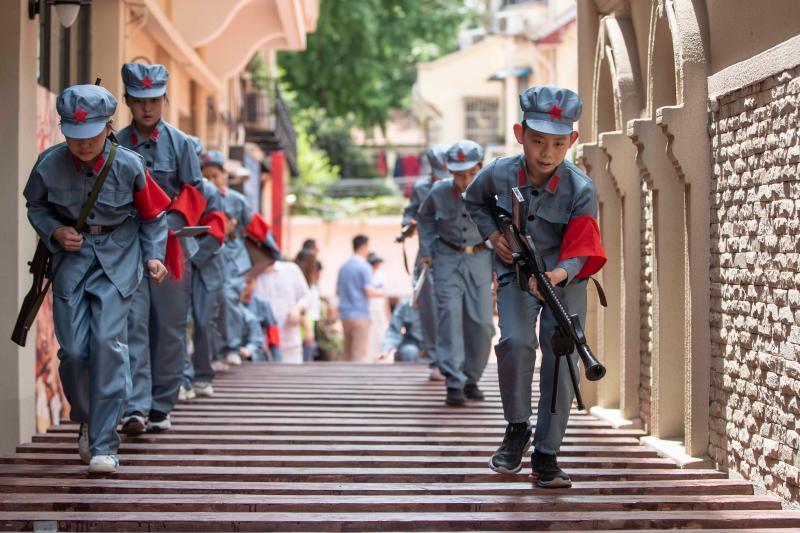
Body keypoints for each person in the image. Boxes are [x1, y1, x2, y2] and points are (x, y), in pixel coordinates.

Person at [464, 86, 606, 487]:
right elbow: (475, 202)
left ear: (572, 142)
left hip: (565, 279)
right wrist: (494, 238)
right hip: (515, 276)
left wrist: (556, 277)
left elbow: (583, 249)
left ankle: (547, 452)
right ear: (519, 133)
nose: (547, 152)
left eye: (558, 144)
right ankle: (516, 428)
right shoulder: (498, 172)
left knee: (562, 358)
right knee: (516, 342)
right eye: (537, 140)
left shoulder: (581, 189)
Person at [23, 84, 169, 473]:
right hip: (71, 263)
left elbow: (154, 216)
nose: (82, 144)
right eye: (73, 135)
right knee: (74, 352)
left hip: (118, 261)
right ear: (63, 129)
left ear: (108, 128)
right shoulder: (48, 164)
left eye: (90, 136)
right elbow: (35, 205)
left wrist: (153, 257)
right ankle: (87, 418)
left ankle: (105, 442)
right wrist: (54, 231)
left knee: (108, 344)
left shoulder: (129, 165)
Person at [116, 63, 225, 435]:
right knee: (132, 325)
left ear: (164, 100)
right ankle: (135, 407)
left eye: (154, 100)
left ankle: (162, 405)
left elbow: (195, 192)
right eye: (139, 100)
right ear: (128, 101)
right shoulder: (115, 143)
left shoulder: (180, 143)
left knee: (171, 328)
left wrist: (168, 227)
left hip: (173, 248)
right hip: (128, 248)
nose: (147, 108)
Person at [418, 140, 494, 407]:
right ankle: (453, 381)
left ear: (480, 168)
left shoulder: (492, 191)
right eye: (459, 175)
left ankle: (471, 378)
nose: (465, 181)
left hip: (481, 259)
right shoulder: (438, 192)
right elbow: (425, 218)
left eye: (471, 174)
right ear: (450, 172)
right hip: (447, 258)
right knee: (449, 318)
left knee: (483, 324)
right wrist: (426, 248)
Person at [199, 150, 280, 366]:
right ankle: (214, 353)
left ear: (225, 174)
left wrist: (273, 250)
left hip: (234, 256)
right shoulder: (199, 197)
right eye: (206, 176)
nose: (212, 180)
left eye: (216, 175)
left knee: (227, 297)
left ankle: (231, 347)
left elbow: (255, 225)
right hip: (206, 255)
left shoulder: (237, 200)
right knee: (210, 303)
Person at [402, 144, 450, 380]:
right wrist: (408, 225)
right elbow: (409, 213)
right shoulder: (421, 188)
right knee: (430, 310)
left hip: (454, 255)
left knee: (453, 309)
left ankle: (455, 359)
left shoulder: (457, 185)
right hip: (427, 257)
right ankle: (435, 359)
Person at [252, 257, 310, 363]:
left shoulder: (291, 269)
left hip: (289, 342)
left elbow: (306, 297)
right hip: (261, 347)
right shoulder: (250, 274)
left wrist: (297, 309)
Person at [336, 235, 381, 362]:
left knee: (347, 353)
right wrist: (382, 293)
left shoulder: (343, 267)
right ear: (363, 246)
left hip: (345, 315)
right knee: (359, 354)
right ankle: (354, 381)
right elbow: (369, 292)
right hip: (360, 314)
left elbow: (338, 291)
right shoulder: (364, 267)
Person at [295, 249, 320, 361]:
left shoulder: (299, 278)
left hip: (302, 328)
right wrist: (309, 331)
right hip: (302, 330)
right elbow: (302, 308)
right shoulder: (303, 282)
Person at [366, 253, 390, 362]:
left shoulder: (381, 275)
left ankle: (380, 358)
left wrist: (388, 313)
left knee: (381, 334)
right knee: (370, 336)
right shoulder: (366, 274)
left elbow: (384, 296)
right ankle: (369, 359)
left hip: (379, 310)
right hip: (369, 310)